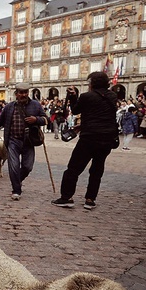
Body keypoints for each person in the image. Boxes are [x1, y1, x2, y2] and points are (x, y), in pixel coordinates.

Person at [52, 72, 119, 210]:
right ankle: (90, 199)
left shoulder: (87, 96)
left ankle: (67, 197)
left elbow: (76, 110)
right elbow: (101, 115)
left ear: (92, 83)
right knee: (97, 169)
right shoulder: (112, 96)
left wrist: (73, 96)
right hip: (107, 138)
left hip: (89, 137)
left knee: (73, 168)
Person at [0, 82, 47, 201]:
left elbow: (46, 120)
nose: (23, 95)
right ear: (16, 94)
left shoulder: (35, 105)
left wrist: (36, 119)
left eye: (25, 92)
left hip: (29, 141)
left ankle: (17, 180)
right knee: (14, 166)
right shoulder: (9, 107)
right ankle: (16, 190)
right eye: (21, 92)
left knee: (28, 166)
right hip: (13, 141)